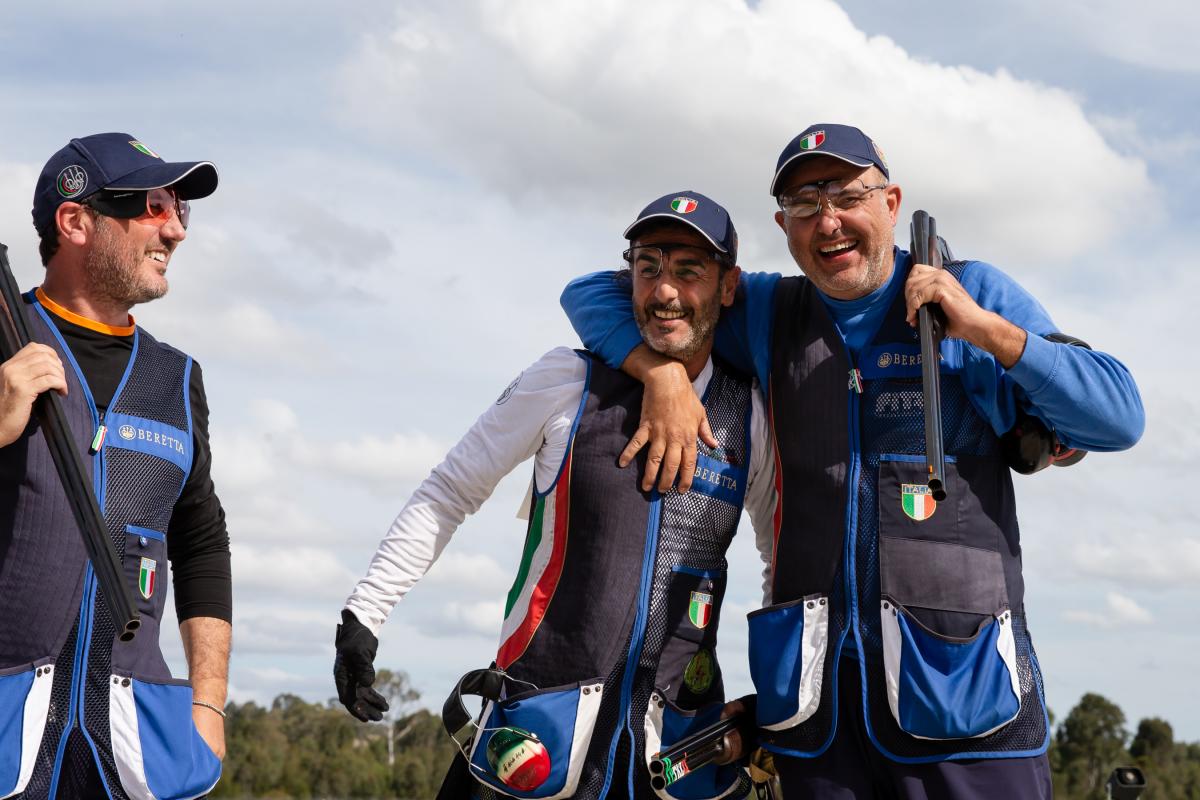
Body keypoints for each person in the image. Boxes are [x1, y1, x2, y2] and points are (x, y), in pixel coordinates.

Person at [559, 124, 1145, 799]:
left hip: (966, 704)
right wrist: (656, 375)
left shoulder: (972, 288)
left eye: (846, 195)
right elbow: (592, 294)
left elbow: (1119, 417)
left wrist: (985, 329)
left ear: (890, 203)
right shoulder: (768, 312)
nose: (828, 221)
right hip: (817, 718)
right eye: (805, 206)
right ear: (783, 226)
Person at [334, 191, 777, 800]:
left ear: (728, 287)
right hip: (535, 744)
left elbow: (780, 555)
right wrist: (364, 615)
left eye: (688, 272)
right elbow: (449, 491)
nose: (664, 292)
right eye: (647, 268)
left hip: (672, 755)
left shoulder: (749, 414)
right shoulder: (566, 377)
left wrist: (776, 697)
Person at [0, 133, 232, 800]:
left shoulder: (177, 378)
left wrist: (208, 709)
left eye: (181, 211)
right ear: (75, 221)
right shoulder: (4, 336)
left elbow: (201, 545)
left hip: (132, 747)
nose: (176, 230)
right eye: (154, 207)